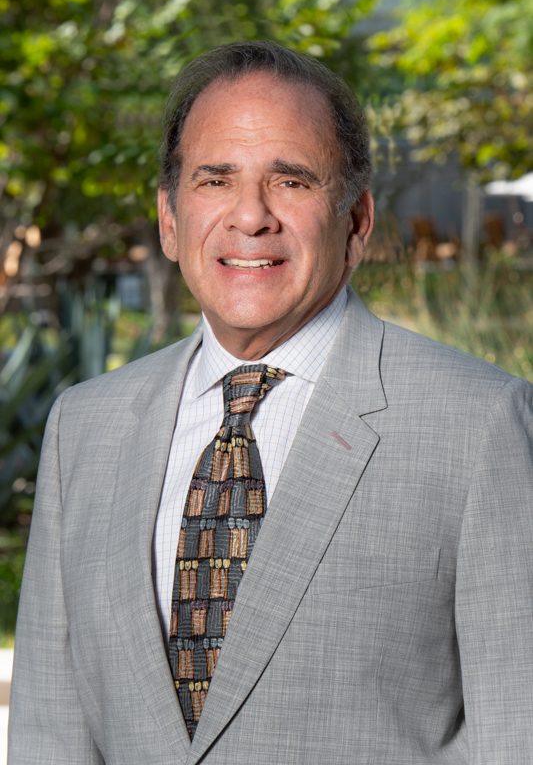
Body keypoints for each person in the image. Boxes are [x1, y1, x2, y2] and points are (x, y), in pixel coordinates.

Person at [8, 41, 533, 765]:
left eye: (290, 180)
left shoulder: (479, 425)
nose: (251, 217)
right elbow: (49, 736)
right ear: (168, 220)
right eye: (215, 179)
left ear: (356, 222)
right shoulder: (85, 428)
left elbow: (517, 734)